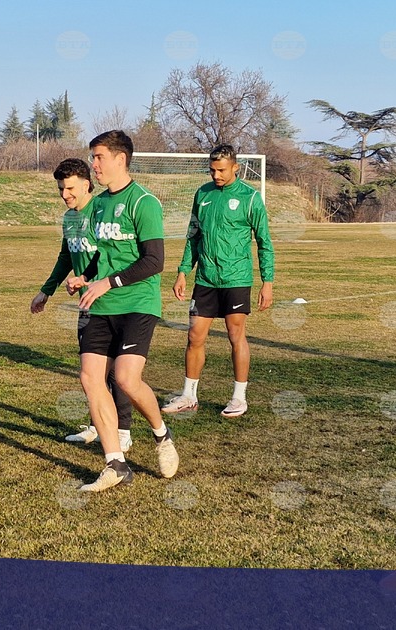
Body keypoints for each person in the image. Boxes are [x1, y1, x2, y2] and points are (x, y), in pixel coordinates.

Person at [66, 130, 179, 491]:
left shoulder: (144, 202)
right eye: (93, 157)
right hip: (101, 304)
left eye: (98, 157)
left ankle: (161, 434)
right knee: (90, 378)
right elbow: (100, 253)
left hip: (137, 303)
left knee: (127, 380)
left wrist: (108, 282)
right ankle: (115, 464)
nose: (94, 164)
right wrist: (85, 277)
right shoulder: (97, 204)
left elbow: (154, 261)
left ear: (120, 159)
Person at [161, 144, 275, 418]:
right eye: (212, 170)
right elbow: (193, 236)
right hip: (206, 279)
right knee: (194, 336)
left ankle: (239, 398)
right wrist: (183, 271)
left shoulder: (250, 198)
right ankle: (188, 396)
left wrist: (267, 281)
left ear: (235, 167)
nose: (216, 175)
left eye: (221, 170)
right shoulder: (203, 194)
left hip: (236, 279)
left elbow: (264, 242)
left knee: (236, 336)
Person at [31, 158, 134, 452]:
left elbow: (112, 255)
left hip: (116, 301)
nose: (65, 194)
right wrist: (46, 290)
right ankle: (96, 425)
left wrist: (90, 278)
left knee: (116, 372)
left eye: (70, 188)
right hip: (88, 304)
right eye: (61, 189)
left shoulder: (102, 212)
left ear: (87, 185)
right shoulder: (70, 219)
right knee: (92, 372)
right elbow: (66, 256)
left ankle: (122, 431)